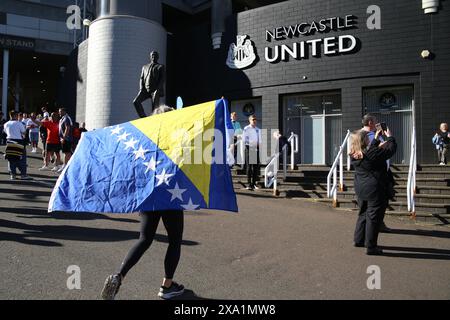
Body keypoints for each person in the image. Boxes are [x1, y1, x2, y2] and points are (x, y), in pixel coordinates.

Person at [101, 105, 185, 300]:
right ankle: (167, 286)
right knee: (174, 240)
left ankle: (119, 275)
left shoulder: (144, 139)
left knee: (144, 238)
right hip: (171, 193)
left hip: (149, 195)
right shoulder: (176, 138)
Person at [349, 126, 397, 255]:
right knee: (374, 218)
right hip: (375, 189)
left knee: (363, 213)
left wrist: (376, 140)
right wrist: (390, 137)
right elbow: (391, 150)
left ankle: (358, 240)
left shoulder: (354, 154)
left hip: (361, 188)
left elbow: (370, 152)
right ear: (365, 142)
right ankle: (371, 247)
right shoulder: (373, 154)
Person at [361, 114, 393, 233]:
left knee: (384, 200)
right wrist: (389, 139)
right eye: (375, 121)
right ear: (370, 122)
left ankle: (378, 223)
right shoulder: (362, 135)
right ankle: (373, 228)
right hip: (373, 173)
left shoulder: (377, 134)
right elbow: (369, 153)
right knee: (375, 203)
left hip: (384, 171)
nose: (377, 123)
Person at [133, 51, 165, 118]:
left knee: (154, 108)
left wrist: (158, 89)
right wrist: (141, 89)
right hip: (145, 90)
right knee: (136, 102)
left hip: (155, 90)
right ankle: (143, 117)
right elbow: (141, 78)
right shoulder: (144, 67)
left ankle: (153, 119)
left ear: (158, 57)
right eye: (152, 55)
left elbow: (162, 79)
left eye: (155, 55)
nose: (154, 57)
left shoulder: (160, 66)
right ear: (150, 57)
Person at [3, 111, 32, 180]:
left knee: (11, 158)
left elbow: (5, 132)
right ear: (15, 116)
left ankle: (13, 174)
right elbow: (24, 132)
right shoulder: (19, 123)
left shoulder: (6, 124)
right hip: (18, 141)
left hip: (9, 141)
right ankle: (23, 174)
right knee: (22, 158)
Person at [242, 115, 262, 190]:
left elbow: (259, 140)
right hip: (248, 147)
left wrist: (258, 145)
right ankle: (249, 184)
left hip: (255, 148)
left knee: (255, 167)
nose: (254, 121)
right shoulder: (246, 128)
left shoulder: (258, 129)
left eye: (255, 119)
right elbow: (244, 139)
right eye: (253, 119)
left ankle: (254, 184)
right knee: (249, 167)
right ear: (249, 120)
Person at [58, 108, 73, 173]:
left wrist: (64, 138)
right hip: (64, 138)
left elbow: (67, 128)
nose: (59, 113)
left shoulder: (66, 118)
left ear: (64, 111)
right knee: (66, 152)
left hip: (67, 139)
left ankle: (65, 165)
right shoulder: (63, 118)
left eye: (60, 112)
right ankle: (66, 165)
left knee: (67, 152)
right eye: (59, 112)